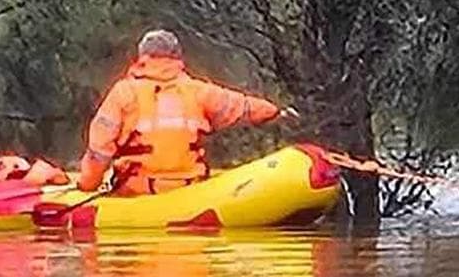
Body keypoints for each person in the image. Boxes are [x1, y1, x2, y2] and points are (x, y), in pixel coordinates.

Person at [77, 25, 298, 196]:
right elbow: (241, 106)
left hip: (137, 192)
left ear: (141, 57)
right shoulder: (198, 91)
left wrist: (87, 185)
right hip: (189, 187)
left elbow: (99, 150)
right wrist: (275, 112)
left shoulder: (123, 93)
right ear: (177, 58)